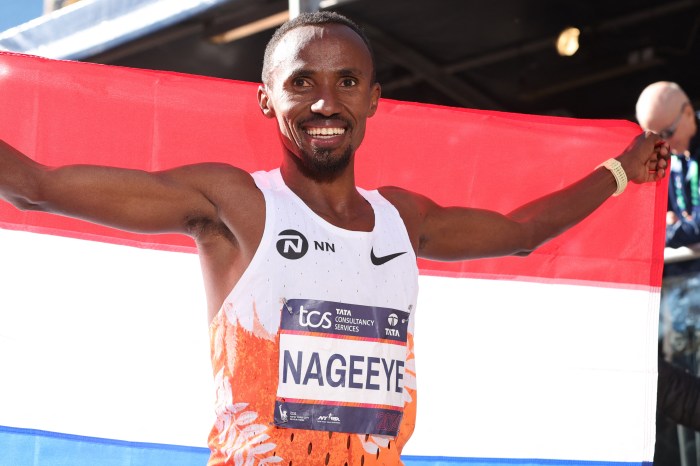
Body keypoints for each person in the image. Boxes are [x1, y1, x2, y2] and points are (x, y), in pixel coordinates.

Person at [0, 11, 670, 466]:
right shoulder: (236, 202)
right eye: (301, 83)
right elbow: (37, 184)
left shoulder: (402, 221)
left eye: (345, 81)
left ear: (374, 98)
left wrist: (622, 170)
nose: (325, 102)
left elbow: (525, 233)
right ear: (267, 99)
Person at [636, 81, 700, 248]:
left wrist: (666, 232)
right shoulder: (665, 155)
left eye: (668, 133)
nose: (664, 144)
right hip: (683, 268)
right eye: (655, 139)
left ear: (688, 112)